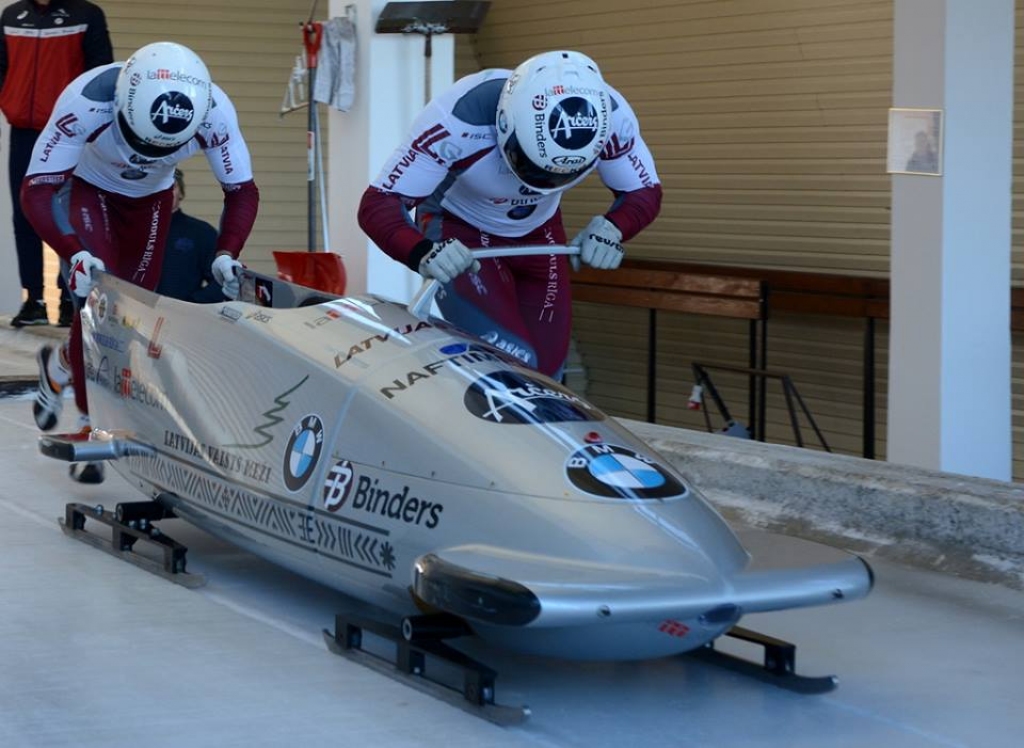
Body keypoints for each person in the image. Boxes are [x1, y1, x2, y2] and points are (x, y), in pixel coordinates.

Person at [23, 40, 259, 483]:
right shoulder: (86, 100)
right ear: (123, 106)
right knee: (102, 299)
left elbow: (241, 190)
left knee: (135, 312)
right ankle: (94, 422)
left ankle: (59, 367)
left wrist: (227, 251)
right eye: (136, 142)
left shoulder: (214, 112)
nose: (141, 157)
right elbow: (37, 188)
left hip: (151, 198)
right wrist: (71, 250)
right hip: (86, 187)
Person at [357, 50, 661, 379]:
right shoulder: (456, 120)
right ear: (505, 124)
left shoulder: (613, 118)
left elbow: (643, 191)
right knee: (511, 364)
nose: (543, 183)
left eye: (562, 176)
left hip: (540, 232)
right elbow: (379, 203)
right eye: (530, 164)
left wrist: (614, 228)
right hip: (459, 233)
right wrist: (421, 252)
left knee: (549, 376)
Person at [0, 0, 113, 328]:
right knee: (24, 212)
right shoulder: (11, 16)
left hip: (69, 132)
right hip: (23, 130)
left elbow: (102, 71)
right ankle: (33, 299)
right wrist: (10, 100)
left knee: (68, 212)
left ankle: (69, 300)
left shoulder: (86, 15)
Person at [156, 168, 226, 303]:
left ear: (181, 192)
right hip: (133, 316)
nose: (165, 192)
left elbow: (221, 282)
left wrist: (192, 304)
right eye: (158, 187)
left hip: (181, 318)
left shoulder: (201, 232)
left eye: (171, 186)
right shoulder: (133, 231)